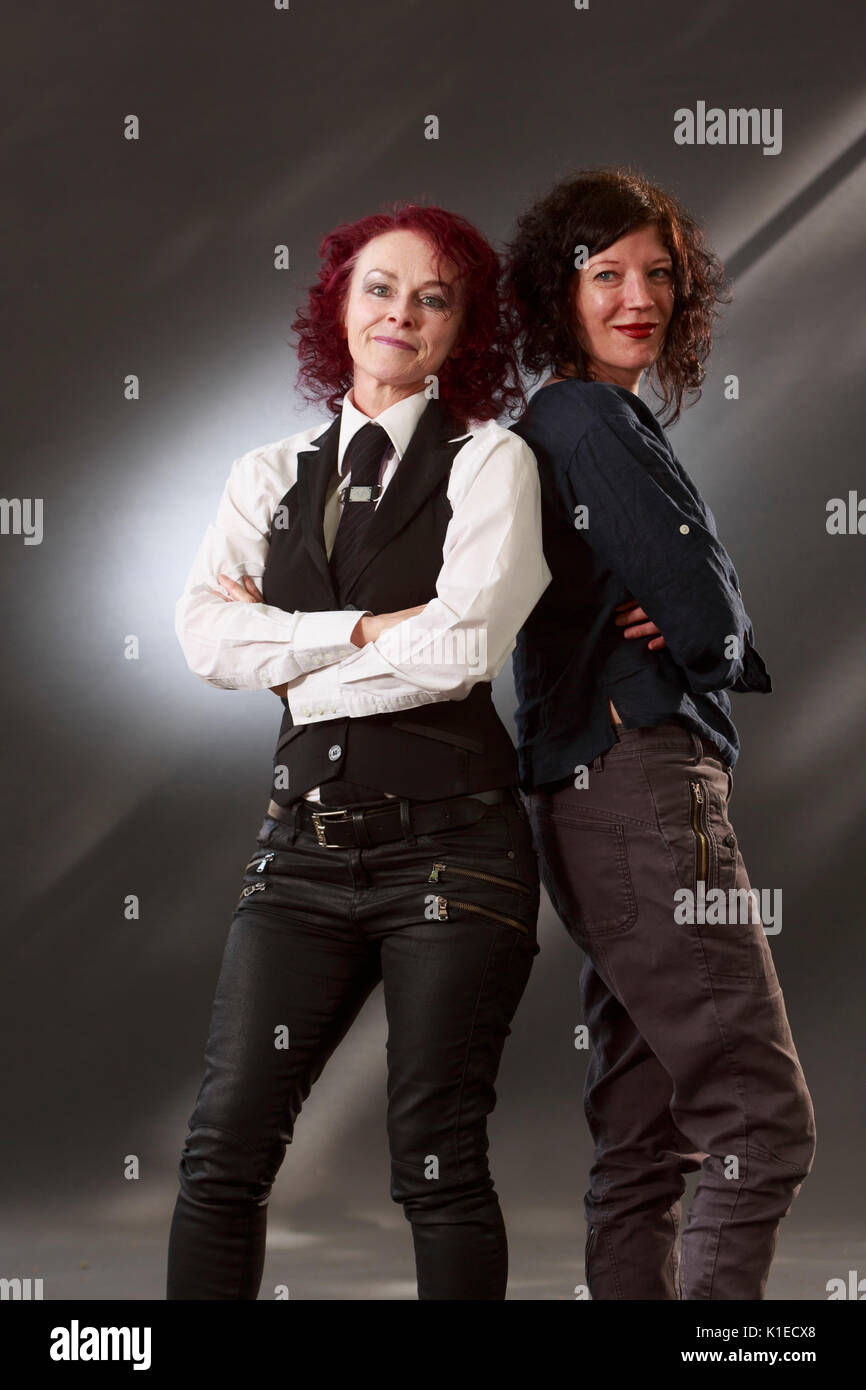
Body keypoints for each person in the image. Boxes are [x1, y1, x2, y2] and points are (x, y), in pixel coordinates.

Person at [166, 204, 551, 1300]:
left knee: (433, 1163)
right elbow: (201, 639)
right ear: (337, 302)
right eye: (379, 286)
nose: (401, 312)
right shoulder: (265, 472)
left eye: (434, 298)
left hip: (455, 855)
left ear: (461, 328)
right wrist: (367, 630)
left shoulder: (490, 463)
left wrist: (284, 658)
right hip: (297, 856)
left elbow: (463, 650)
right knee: (221, 1154)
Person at [504, 167, 816, 1300]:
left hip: (598, 796)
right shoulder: (582, 418)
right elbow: (695, 607)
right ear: (557, 293)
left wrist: (699, 616)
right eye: (605, 276)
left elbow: (684, 604)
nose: (638, 297)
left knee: (647, 1132)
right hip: (640, 788)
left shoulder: (582, 420)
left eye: (657, 275)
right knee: (757, 1117)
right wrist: (713, 621)